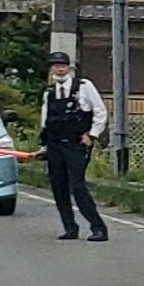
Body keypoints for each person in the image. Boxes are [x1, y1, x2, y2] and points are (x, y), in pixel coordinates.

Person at [40, 48, 110, 242]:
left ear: (69, 68)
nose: (59, 69)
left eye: (62, 65)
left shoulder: (84, 86)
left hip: (75, 144)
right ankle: (70, 228)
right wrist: (44, 145)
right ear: (51, 69)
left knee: (77, 186)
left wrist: (92, 135)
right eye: (56, 66)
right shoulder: (49, 92)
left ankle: (98, 228)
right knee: (58, 187)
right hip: (55, 145)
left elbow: (100, 111)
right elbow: (45, 121)